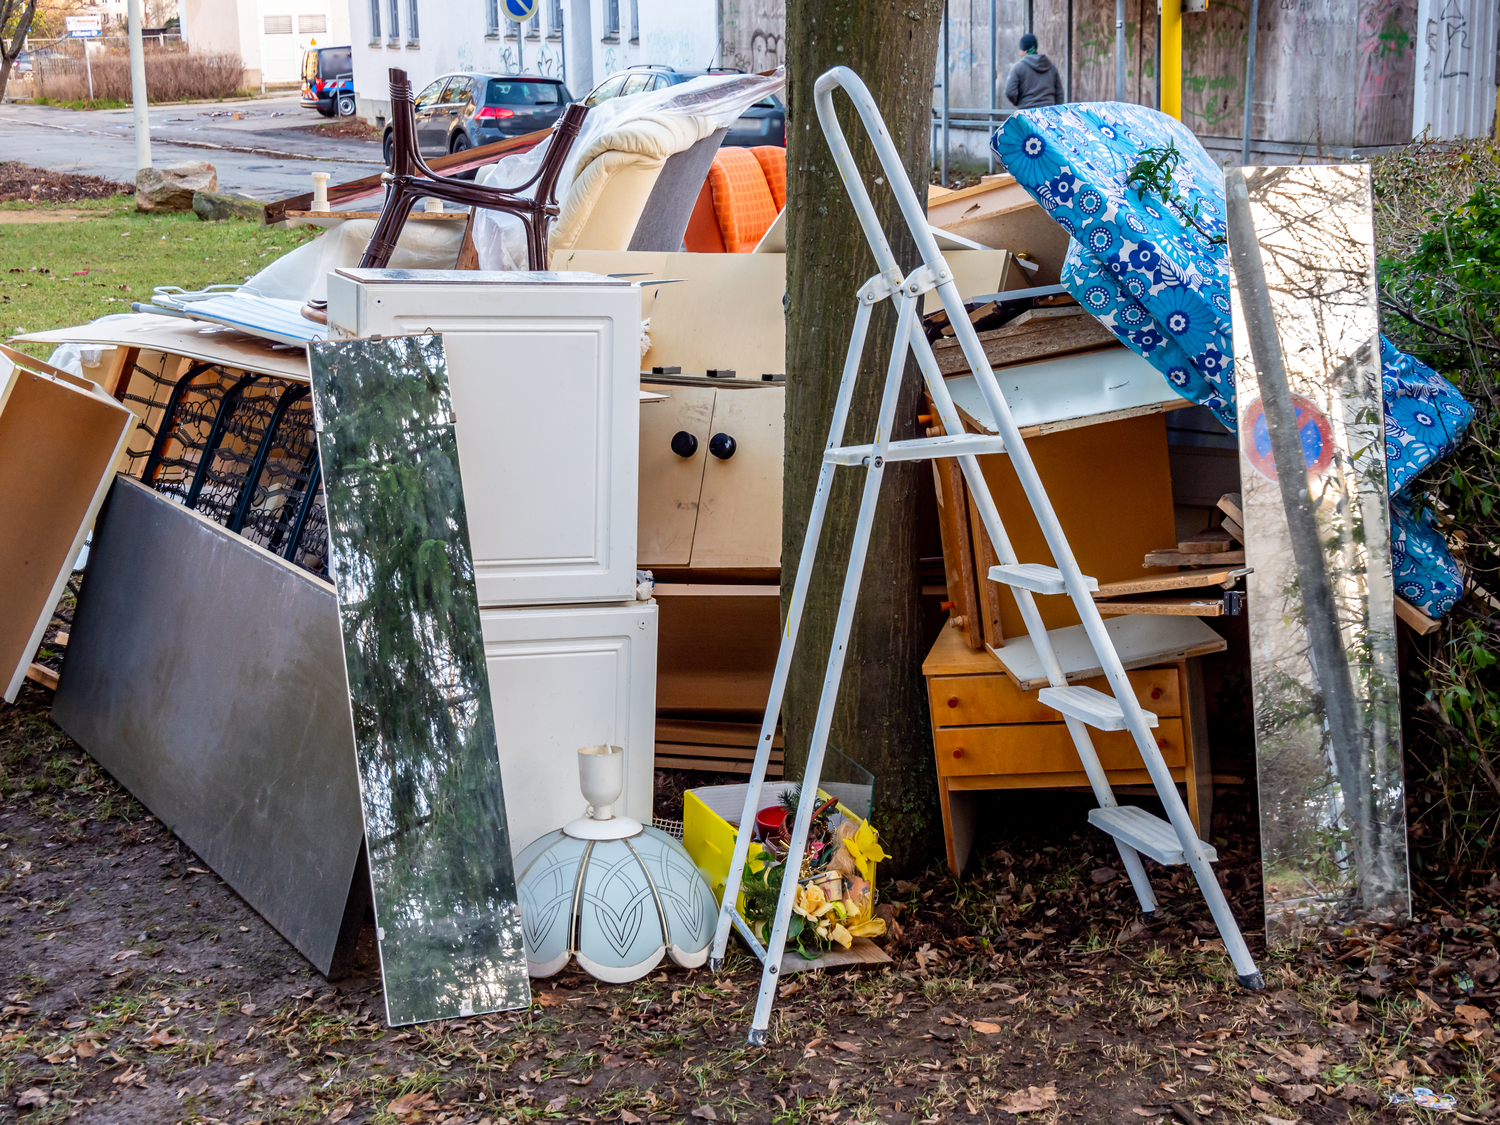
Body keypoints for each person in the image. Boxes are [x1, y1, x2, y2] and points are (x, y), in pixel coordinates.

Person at [1004, 32, 1064, 109]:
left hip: (1027, 112)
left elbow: (1009, 92)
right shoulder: (1051, 67)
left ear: (1023, 50)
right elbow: (1059, 94)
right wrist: (1056, 110)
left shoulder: (1018, 68)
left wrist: (1021, 102)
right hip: (1048, 113)